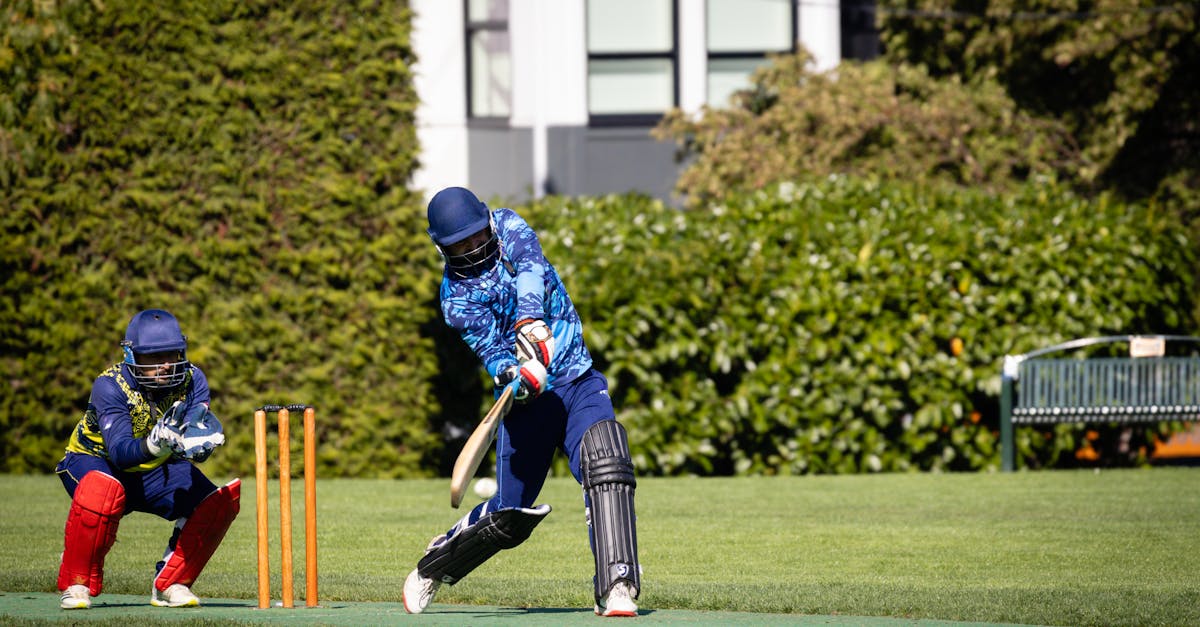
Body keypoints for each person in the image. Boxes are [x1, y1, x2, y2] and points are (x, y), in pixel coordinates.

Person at [403, 187, 642, 617]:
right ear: (442, 246)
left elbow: (532, 269)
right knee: (507, 520)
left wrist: (530, 324)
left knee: (607, 461)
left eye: (477, 237)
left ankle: (617, 584)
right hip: (526, 405)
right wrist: (514, 374)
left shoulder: (509, 225)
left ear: (486, 223)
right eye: (461, 244)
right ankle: (435, 563)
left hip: (577, 379)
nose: (473, 248)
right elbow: (491, 351)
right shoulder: (455, 298)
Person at [55, 309, 236, 610]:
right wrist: (155, 444)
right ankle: (77, 583)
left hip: (154, 469)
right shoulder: (110, 385)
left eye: (172, 354)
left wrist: (197, 446)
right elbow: (121, 454)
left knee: (217, 504)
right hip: (95, 460)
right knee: (102, 491)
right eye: (154, 357)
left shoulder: (192, 379)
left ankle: (171, 583)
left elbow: (191, 432)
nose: (166, 365)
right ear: (131, 355)